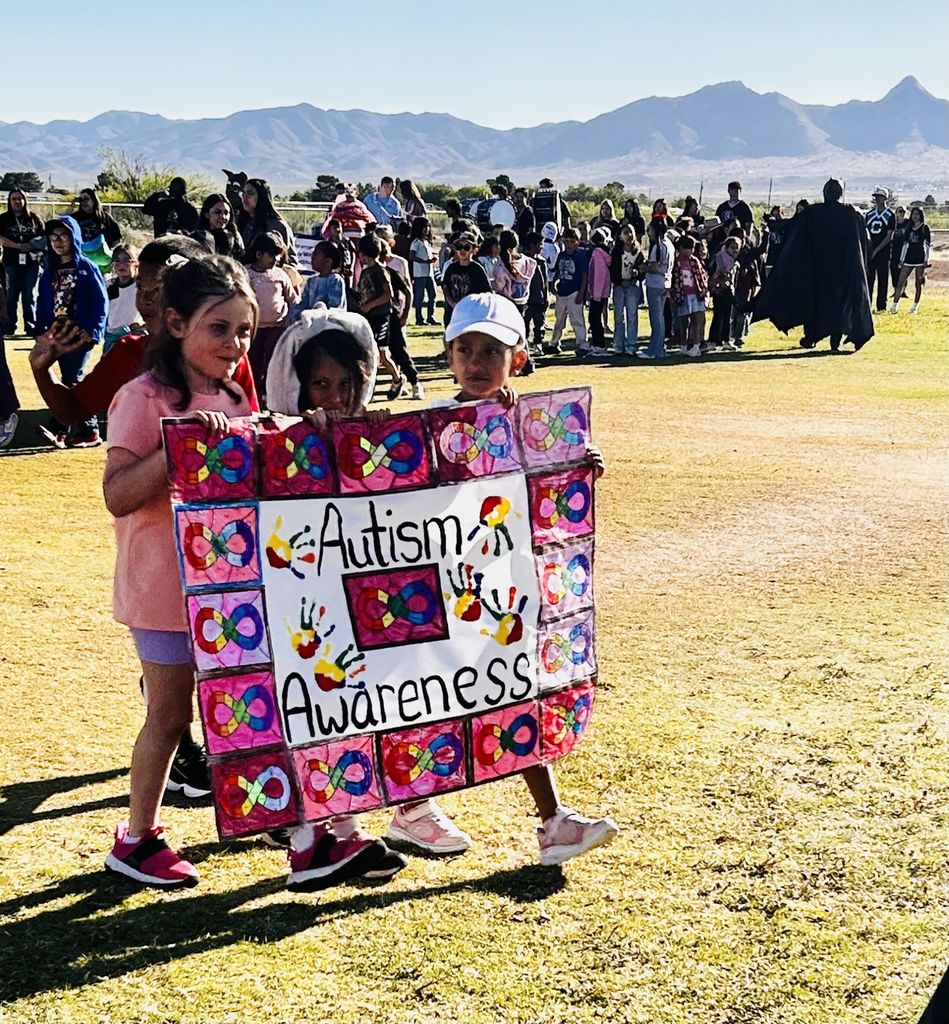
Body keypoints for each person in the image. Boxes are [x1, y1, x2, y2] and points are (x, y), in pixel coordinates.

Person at [438, 292, 619, 865]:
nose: (476, 362)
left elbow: (545, 502)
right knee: (428, 702)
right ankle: (411, 809)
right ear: (448, 356)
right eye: (464, 348)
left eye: (491, 350)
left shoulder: (532, 426)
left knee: (510, 692)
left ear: (517, 358)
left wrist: (572, 463)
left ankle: (551, 821)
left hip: (502, 596)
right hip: (442, 597)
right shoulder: (433, 427)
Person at [102, 254, 260, 888]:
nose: (234, 344)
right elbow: (116, 494)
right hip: (164, 588)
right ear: (174, 322)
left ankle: (268, 811)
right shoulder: (141, 398)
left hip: (233, 585)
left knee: (247, 701)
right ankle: (137, 838)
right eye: (219, 328)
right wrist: (179, 444)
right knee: (170, 714)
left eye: (243, 330)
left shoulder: (234, 395)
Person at [753, 178, 873, 353]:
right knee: (837, 307)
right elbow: (864, 243)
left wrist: (774, 223)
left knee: (815, 304)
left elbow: (791, 225)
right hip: (842, 271)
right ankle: (830, 342)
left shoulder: (814, 213)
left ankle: (812, 338)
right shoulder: (851, 214)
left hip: (819, 270)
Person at [33, 216, 108, 448]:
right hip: (58, 334)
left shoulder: (86, 267)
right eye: (53, 237)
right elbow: (43, 301)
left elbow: (100, 300)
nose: (57, 241)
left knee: (73, 378)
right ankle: (65, 429)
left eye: (63, 236)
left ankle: (87, 430)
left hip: (79, 334)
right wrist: (40, 330)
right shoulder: (50, 271)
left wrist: (93, 331)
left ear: (73, 237)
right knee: (67, 378)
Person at [246, 232, 300, 402]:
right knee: (254, 363)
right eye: (271, 255)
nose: (275, 259)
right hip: (254, 329)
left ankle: (268, 397)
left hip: (277, 328)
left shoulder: (281, 275)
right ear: (258, 255)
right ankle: (253, 397)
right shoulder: (247, 274)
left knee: (272, 363)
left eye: (278, 255)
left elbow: (292, 299)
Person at [353, 232, 403, 392]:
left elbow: (388, 294)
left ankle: (397, 379)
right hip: (369, 317)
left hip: (381, 317)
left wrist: (370, 306)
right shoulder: (366, 271)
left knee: (382, 354)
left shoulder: (379, 270)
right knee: (367, 352)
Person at [0, 188, 44, 337]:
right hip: (10, 263)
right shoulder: (3, 219)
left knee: (29, 294)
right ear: (9, 201)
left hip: (31, 263)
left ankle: (30, 326)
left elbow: (43, 237)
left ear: (25, 200)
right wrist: (17, 246)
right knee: (11, 294)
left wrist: (32, 245)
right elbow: (1, 239)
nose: (17, 201)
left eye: (20, 198)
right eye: (14, 199)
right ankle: (9, 326)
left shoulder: (34, 218)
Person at [548, 228, 589, 357]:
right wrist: (553, 284)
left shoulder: (580, 257)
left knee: (577, 319)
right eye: (566, 241)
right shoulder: (561, 255)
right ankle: (555, 342)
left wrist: (581, 293)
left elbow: (584, 276)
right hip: (562, 291)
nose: (569, 244)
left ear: (577, 242)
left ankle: (582, 343)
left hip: (574, 291)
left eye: (572, 241)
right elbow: (557, 272)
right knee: (559, 318)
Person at [238, 178, 297, 265]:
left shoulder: (276, 225)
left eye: (250, 193)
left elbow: (289, 260)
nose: (244, 197)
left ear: (262, 196)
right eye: (243, 193)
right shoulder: (242, 221)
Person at [638, 219, 674, 360]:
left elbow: (654, 267)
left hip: (655, 283)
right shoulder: (669, 244)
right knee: (660, 317)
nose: (648, 232)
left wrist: (644, 267)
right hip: (665, 283)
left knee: (656, 318)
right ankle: (659, 347)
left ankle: (655, 349)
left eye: (650, 229)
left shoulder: (658, 247)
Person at [440, 232, 492, 326]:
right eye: (459, 247)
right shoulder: (451, 268)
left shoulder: (477, 269)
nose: (462, 250)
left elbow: (487, 293)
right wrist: (452, 302)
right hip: (453, 315)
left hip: (471, 316)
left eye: (467, 247)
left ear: (474, 250)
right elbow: (445, 286)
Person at [670, 235, 708, 358]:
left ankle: (696, 346)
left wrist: (703, 291)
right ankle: (684, 346)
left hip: (696, 294)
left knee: (697, 320)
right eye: (689, 248)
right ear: (681, 248)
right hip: (682, 295)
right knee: (683, 322)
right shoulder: (676, 263)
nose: (691, 251)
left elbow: (701, 277)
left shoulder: (694, 261)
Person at [610, 225, 645, 354]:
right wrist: (619, 281)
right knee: (619, 316)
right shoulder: (616, 252)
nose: (629, 235)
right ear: (620, 236)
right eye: (625, 233)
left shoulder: (638, 252)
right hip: (619, 286)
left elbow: (642, 271)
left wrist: (637, 274)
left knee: (632, 316)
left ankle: (631, 344)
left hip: (632, 287)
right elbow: (612, 270)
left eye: (631, 232)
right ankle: (619, 344)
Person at [291, 240, 347, 320]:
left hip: (328, 325)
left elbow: (335, 308)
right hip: (310, 324)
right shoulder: (311, 281)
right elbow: (303, 304)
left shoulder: (335, 280)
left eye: (316, 255)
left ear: (328, 262)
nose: (312, 257)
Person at [891, 206, 931, 315]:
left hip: (919, 258)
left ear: (921, 215)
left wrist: (926, 260)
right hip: (909, 258)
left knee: (918, 283)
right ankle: (894, 306)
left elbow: (927, 245)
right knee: (900, 281)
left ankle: (915, 306)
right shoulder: (909, 227)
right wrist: (901, 259)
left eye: (917, 214)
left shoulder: (924, 228)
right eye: (913, 214)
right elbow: (905, 244)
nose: (915, 216)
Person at [104, 244, 143, 353]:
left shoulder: (141, 287)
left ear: (136, 263)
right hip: (111, 338)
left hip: (134, 337)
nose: (121, 264)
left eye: (127, 261)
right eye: (117, 260)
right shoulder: (109, 285)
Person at [71, 188, 122, 269]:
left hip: (102, 261)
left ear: (94, 200)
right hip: (80, 260)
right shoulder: (74, 218)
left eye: (86, 199)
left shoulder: (105, 217)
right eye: (81, 200)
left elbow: (116, 239)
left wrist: (109, 253)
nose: (83, 202)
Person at [864, 186, 895, 313]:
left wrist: (877, 250)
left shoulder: (890, 215)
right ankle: (867, 304)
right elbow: (865, 232)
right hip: (870, 251)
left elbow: (889, 236)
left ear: (884, 198)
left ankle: (881, 306)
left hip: (883, 252)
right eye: (875, 197)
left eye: (879, 197)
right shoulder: (870, 214)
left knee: (883, 279)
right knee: (869, 279)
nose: (876, 199)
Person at [707, 236, 741, 351]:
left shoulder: (735, 262)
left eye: (737, 248)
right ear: (726, 247)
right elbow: (711, 273)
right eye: (732, 248)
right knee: (718, 315)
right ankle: (712, 340)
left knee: (727, 316)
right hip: (718, 290)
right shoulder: (718, 258)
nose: (735, 250)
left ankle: (726, 340)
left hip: (729, 291)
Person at [521, 231, 549, 355]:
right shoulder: (522, 261)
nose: (542, 247)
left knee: (539, 323)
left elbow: (545, 281)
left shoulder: (541, 262)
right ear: (532, 245)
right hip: (526, 299)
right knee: (524, 324)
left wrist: (546, 296)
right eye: (539, 244)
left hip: (538, 298)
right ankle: (524, 346)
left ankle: (538, 344)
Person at [193, 193, 244, 259]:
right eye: (217, 212)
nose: (223, 216)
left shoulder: (235, 235)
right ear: (207, 214)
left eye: (226, 213)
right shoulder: (199, 237)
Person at [586, 227, 612, 356]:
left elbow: (599, 275)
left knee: (594, 318)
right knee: (595, 318)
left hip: (598, 293)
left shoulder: (597, 253)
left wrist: (595, 294)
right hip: (602, 292)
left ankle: (599, 345)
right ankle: (597, 344)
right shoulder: (603, 253)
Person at [409, 217, 438, 325]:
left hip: (429, 273)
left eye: (428, 227)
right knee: (420, 297)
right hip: (420, 273)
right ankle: (419, 318)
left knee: (432, 295)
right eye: (424, 227)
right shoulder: (416, 242)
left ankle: (431, 316)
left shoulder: (426, 242)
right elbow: (411, 256)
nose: (427, 229)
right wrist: (425, 261)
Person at [889, 206, 908, 300]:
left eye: (903, 211)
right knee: (894, 270)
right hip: (895, 250)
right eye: (899, 211)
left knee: (904, 271)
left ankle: (903, 290)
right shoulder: (893, 223)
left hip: (904, 250)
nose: (901, 213)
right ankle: (896, 290)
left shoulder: (908, 223)